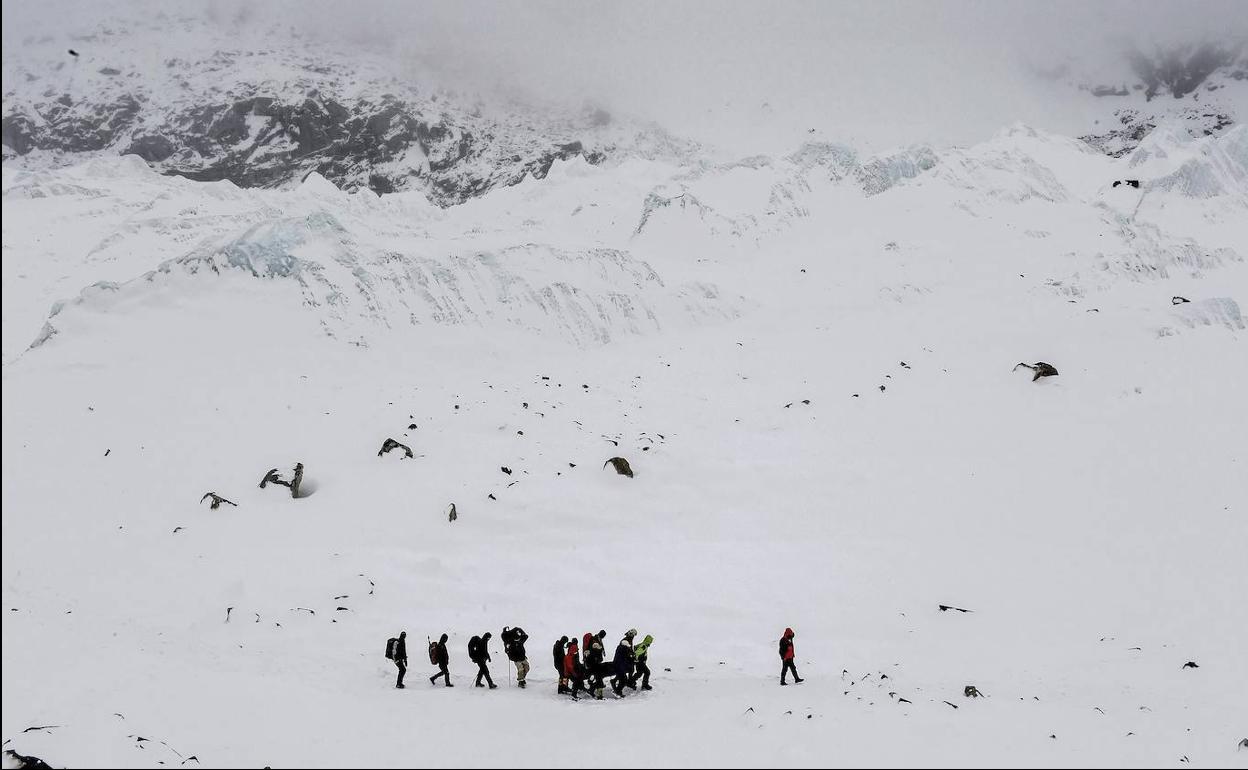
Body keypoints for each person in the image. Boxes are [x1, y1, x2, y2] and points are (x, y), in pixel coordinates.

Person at [611, 629, 637, 697]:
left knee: (628, 672)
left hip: (622, 662)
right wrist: (632, 656)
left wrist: (632, 656)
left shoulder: (627, 641)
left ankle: (619, 686)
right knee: (623, 678)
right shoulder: (625, 643)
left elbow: (629, 652)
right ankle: (617, 690)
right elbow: (627, 653)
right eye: (633, 635)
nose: (633, 636)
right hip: (621, 663)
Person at [585, 634, 607, 699]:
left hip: (595, 669)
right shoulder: (594, 654)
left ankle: (591, 691)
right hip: (596, 670)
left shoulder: (592, 652)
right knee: (599, 682)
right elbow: (596, 661)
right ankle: (599, 696)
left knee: (598, 682)